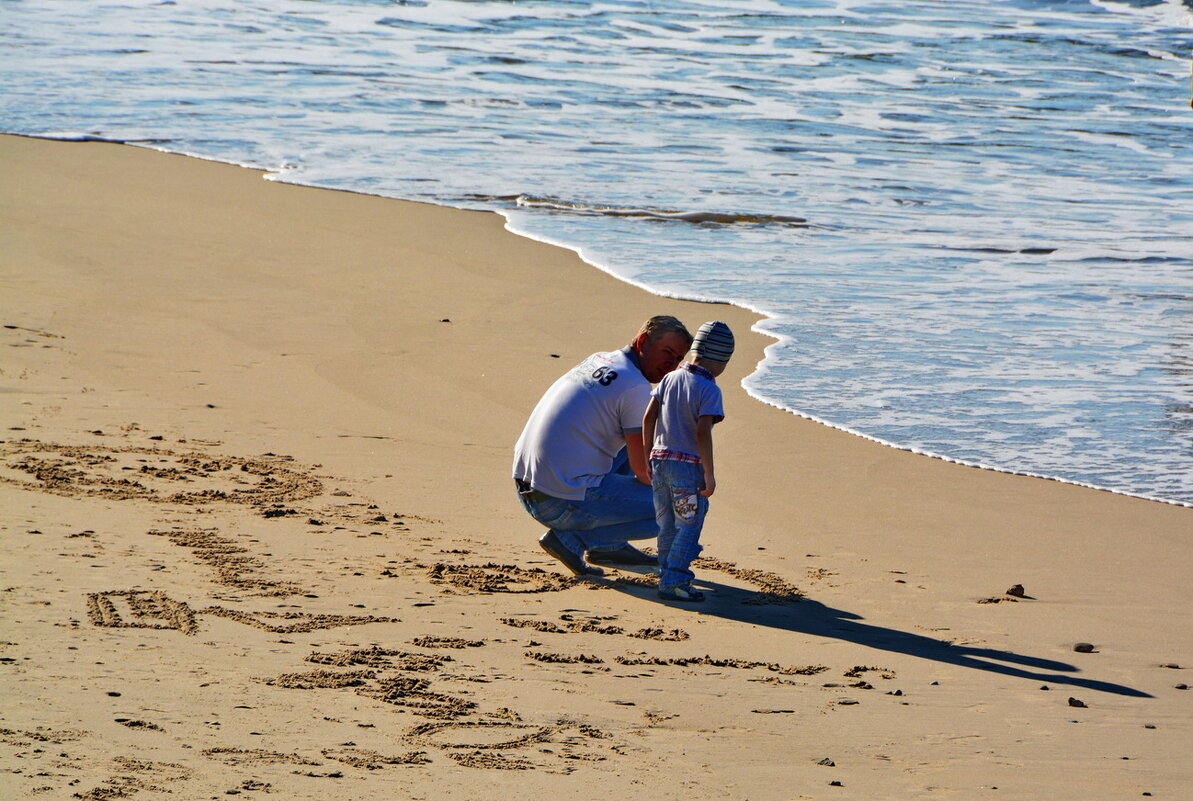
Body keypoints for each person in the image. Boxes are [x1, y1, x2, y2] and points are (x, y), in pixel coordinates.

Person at [513, 315, 693, 577]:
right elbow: (645, 473)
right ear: (643, 340)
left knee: (634, 442)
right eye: (667, 353)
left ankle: (606, 545)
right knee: (681, 507)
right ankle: (577, 540)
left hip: (527, 484)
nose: (671, 365)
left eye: (678, 359)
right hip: (557, 502)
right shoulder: (635, 388)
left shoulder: (601, 359)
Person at [641, 320, 734, 602]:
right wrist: (708, 473)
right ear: (720, 361)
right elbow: (702, 431)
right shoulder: (709, 389)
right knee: (689, 524)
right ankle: (675, 580)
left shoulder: (669, 379)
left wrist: (647, 456)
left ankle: (666, 570)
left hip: (660, 461)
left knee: (666, 523)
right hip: (687, 469)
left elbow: (648, 418)